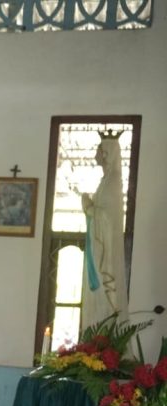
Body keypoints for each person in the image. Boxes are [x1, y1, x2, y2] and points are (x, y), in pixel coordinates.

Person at [81, 132, 128, 327]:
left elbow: (108, 218)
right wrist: (90, 207)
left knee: (104, 288)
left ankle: (104, 331)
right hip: (97, 243)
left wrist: (88, 206)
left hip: (104, 249)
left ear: (108, 153)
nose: (96, 155)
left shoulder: (113, 181)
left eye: (99, 150)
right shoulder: (105, 180)